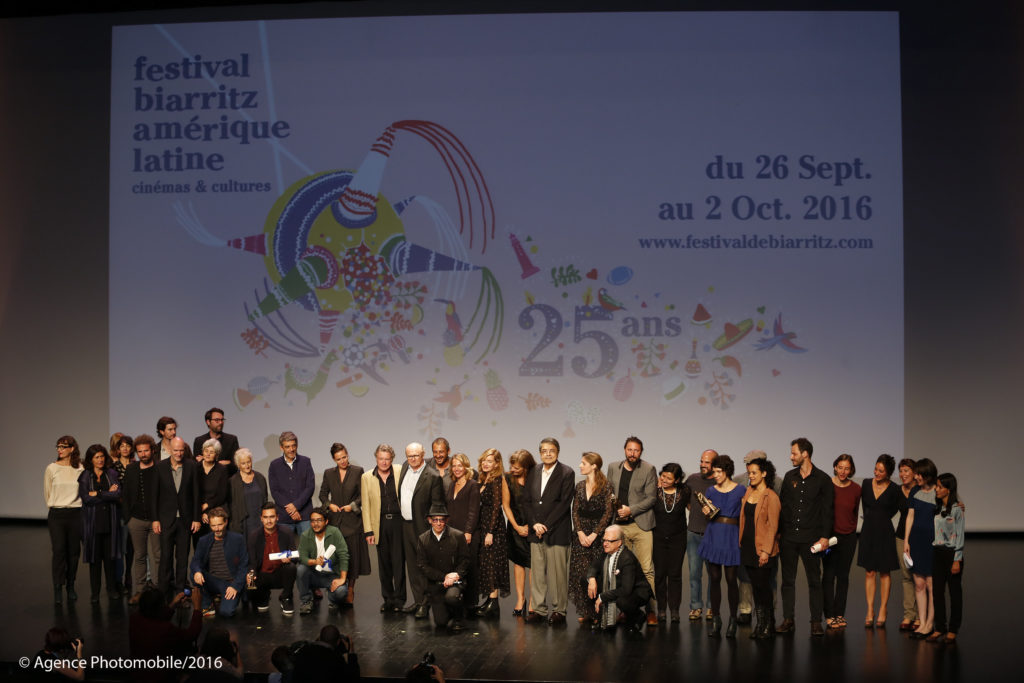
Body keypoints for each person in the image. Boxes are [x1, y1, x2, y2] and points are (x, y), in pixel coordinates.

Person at [776, 437, 833, 636]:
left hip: (811, 539)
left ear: (805, 454)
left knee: (814, 581)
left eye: (794, 453)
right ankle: (788, 619)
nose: (791, 456)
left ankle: (816, 621)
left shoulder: (823, 479)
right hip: (789, 538)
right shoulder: (789, 476)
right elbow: (782, 507)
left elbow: (827, 511)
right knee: (787, 581)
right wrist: (779, 533)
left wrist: (825, 537)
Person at [522, 437, 575, 625]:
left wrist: (545, 525)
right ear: (540, 453)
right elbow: (526, 501)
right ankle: (539, 610)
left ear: (558, 452)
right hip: (536, 532)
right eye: (544, 451)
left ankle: (559, 610)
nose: (548, 454)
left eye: (551, 450)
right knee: (537, 574)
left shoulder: (567, 472)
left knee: (558, 575)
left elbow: (564, 503)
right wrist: (535, 523)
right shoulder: (534, 471)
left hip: (557, 531)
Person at [606, 436, 658, 625]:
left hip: (641, 524)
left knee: (646, 569)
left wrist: (631, 510)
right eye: (629, 450)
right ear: (625, 450)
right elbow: (609, 493)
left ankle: (651, 610)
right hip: (619, 527)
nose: (632, 453)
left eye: (636, 450)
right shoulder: (613, 467)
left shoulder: (649, 469)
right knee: (621, 570)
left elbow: (652, 498)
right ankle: (627, 609)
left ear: (641, 452)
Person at [698, 454, 745, 637]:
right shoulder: (710, 491)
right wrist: (705, 512)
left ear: (727, 471)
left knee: (732, 580)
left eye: (719, 471)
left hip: (731, 535)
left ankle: (733, 619)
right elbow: (709, 514)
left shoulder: (740, 490)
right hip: (713, 534)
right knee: (714, 579)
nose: (715, 474)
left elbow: (744, 515)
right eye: (714, 471)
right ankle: (716, 620)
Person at [398, 442, 446, 618]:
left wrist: (433, 529)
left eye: (416, 455)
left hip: (423, 528)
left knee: (424, 567)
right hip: (406, 525)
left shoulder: (432, 476)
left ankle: (425, 604)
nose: (412, 459)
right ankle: (419, 601)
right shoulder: (404, 467)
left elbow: (437, 505)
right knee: (411, 566)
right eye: (409, 455)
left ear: (423, 454)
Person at [319, 442, 370, 607]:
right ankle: (337, 586)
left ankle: (350, 588)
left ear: (348, 454)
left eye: (344, 457)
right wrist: (329, 505)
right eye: (339, 459)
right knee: (336, 556)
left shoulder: (357, 471)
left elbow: (363, 495)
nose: (342, 461)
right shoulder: (328, 473)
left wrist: (352, 506)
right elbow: (322, 494)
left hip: (352, 521)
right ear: (334, 459)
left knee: (352, 556)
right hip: (335, 521)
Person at [151, 436, 201, 597]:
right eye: (176, 450)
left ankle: (180, 592)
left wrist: (196, 518)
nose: (179, 453)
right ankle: (163, 592)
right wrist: (155, 519)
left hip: (185, 520)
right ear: (169, 450)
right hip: (166, 520)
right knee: (165, 557)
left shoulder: (192, 466)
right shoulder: (160, 467)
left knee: (182, 558)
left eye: (181, 450)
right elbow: (154, 496)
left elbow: (196, 494)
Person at [858, 453, 903, 628]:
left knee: (885, 572)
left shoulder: (895, 489)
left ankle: (883, 608)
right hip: (868, 531)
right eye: (876, 469)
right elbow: (865, 506)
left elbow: (899, 509)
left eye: (881, 471)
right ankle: (870, 609)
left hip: (885, 532)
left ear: (889, 473)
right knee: (869, 572)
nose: (877, 472)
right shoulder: (866, 484)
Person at [568, 451, 613, 625]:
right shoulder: (579, 486)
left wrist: (594, 534)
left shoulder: (606, 486)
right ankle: (585, 609)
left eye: (583, 463)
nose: (580, 466)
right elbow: (575, 511)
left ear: (594, 466)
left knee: (596, 573)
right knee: (581, 574)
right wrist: (579, 532)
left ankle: (597, 610)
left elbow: (608, 513)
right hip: (581, 535)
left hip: (598, 534)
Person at [739, 456, 781, 639]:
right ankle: (762, 624)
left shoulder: (771, 497)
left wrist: (765, 551)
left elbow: (773, 527)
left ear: (764, 473)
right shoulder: (748, 492)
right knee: (755, 587)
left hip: (763, 549)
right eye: (749, 473)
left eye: (754, 473)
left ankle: (767, 624)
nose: (751, 476)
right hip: (748, 547)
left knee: (763, 588)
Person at [361, 443, 405, 612]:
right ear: (376, 458)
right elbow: (366, 505)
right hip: (379, 524)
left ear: (392, 459)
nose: (384, 462)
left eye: (387, 459)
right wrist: (368, 530)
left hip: (398, 522)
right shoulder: (367, 477)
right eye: (381, 459)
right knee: (384, 564)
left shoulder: (400, 470)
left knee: (399, 563)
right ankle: (388, 599)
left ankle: (400, 600)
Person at [416, 503, 471, 632]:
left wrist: (456, 575)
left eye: (441, 520)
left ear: (446, 520)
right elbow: (422, 565)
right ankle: (448, 611)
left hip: (455, 582)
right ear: (430, 520)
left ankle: (459, 617)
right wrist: (443, 577)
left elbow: (465, 560)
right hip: (436, 585)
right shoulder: (423, 539)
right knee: (440, 622)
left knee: (452, 597)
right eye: (435, 520)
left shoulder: (457, 536)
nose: (439, 523)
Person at [130, 587, 203, 683]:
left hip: (138, 674)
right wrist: (197, 607)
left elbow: (155, 617)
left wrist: (173, 605)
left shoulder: (134, 620)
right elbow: (191, 634)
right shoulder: (165, 629)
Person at [586, 524, 651, 632]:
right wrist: (592, 579)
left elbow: (626, 590)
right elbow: (594, 566)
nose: (605, 544)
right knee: (586, 580)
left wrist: (602, 596)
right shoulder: (605, 553)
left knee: (623, 601)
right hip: (618, 586)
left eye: (609, 541)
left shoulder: (627, 558)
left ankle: (637, 616)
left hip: (636, 591)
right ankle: (601, 619)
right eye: (604, 540)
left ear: (619, 542)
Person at [79, 444, 123, 602]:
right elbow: (86, 498)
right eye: (97, 457)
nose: (100, 459)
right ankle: (95, 593)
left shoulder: (111, 473)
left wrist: (97, 493)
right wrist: (106, 494)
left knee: (110, 559)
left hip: (109, 522)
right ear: (91, 459)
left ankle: (111, 590)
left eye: (102, 456)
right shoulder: (85, 475)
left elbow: (117, 494)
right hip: (93, 524)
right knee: (95, 561)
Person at [823, 453, 860, 629]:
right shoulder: (827, 485)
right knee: (828, 575)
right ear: (835, 467)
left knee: (843, 577)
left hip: (848, 538)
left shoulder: (856, 489)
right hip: (830, 537)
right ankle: (829, 615)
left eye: (847, 468)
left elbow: (855, 512)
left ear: (851, 469)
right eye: (840, 467)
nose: (843, 471)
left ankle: (839, 614)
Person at [122, 434, 161, 603]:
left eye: (146, 450)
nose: (143, 454)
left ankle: (159, 591)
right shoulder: (131, 469)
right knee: (139, 555)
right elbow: (125, 494)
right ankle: (139, 591)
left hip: (156, 520)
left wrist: (159, 518)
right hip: (136, 519)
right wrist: (128, 518)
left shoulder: (160, 468)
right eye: (140, 452)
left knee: (158, 555)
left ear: (152, 450)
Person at [45, 436, 83, 604]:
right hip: (57, 514)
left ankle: (70, 586)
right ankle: (58, 587)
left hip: (76, 514)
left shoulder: (80, 468)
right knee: (59, 551)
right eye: (58, 446)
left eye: (63, 446)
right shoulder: (51, 468)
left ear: (72, 448)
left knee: (74, 553)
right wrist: (55, 507)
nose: (59, 449)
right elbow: (47, 493)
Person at [190, 507, 247, 617]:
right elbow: (195, 560)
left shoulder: (238, 539)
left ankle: (233, 595)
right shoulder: (204, 540)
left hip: (230, 583)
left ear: (226, 522)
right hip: (213, 581)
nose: (217, 529)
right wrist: (197, 571)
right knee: (194, 573)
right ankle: (207, 604)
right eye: (213, 525)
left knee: (227, 612)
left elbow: (244, 564)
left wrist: (236, 585)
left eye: (220, 524)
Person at [905, 457, 939, 639]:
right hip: (916, 541)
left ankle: (929, 624)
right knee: (919, 584)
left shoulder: (939, 491)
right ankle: (922, 622)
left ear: (927, 474)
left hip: (933, 542)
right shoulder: (915, 491)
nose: (915, 477)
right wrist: (906, 541)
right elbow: (910, 516)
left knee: (931, 585)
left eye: (918, 474)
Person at [652, 462, 690, 623]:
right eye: (663, 475)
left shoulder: (685, 491)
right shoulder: (654, 491)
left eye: (669, 477)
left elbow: (692, 509)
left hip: (678, 538)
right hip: (658, 537)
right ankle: (661, 608)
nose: (665, 479)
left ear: (677, 480)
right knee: (660, 574)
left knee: (675, 575)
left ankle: (674, 609)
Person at [475, 448, 510, 618]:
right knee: (486, 564)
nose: (485, 464)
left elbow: (497, 507)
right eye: (484, 461)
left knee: (493, 565)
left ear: (497, 463)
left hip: (493, 527)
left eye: (489, 461)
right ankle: (489, 600)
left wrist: (490, 532)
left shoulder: (497, 480)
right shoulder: (483, 479)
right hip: (483, 525)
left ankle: (494, 603)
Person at [930, 472, 964, 644]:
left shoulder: (957, 509)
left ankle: (953, 629)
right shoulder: (937, 508)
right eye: (937, 485)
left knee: (954, 592)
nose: (937, 489)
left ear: (948, 490)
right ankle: (940, 627)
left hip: (952, 554)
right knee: (937, 592)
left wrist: (957, 559)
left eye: (940, 487)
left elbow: (959, 535)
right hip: (937, 553)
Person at [247, 501, 298, 614]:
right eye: (265, 517)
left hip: (280, 573)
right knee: (249, 590)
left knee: (291, 567)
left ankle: (286, 597)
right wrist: (251, 575)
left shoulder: (286, 532)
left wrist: (289, 558)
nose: (269, 521)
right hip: (262, 575)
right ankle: (263, 595)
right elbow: (252, 561)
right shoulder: (254, 536)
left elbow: (295, 556)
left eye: (272, 517)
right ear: (261, 518)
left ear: (277, 518)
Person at [502, 449, 535, 617]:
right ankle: (520, 599)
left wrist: (532, 525)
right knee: (518, 563)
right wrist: (516, 526)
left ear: (526, 466)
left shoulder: (535, 477)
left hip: (533, 526)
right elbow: (506, 505)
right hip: (515, 526)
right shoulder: (507, 478)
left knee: (533, 564)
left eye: (516, 467)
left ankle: (533, 600)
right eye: (511, 466)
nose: (512, 469)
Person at [297, 507, 349, 614]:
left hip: (332, 575)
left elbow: (344, 555)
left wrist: (342, 579)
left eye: (319, 520)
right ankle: (306, 601)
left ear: (326, 521)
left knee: (341, 592)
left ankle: (332, 598)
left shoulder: (334, 532)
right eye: (313, 521)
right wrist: (315, 562)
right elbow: (302, 557)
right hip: (314, 574)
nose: (316, 524)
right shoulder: (306, 535)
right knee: (301, 569)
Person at [444, 453, 479, 612]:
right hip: (453, 533)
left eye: (460, 465)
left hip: (467, 533)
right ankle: (459, 598)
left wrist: (468, 532)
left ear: (466, 467)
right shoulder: (452, 484)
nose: (457, 469)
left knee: (470, 567)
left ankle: (471, 603)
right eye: (454, 465)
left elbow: (473, 511)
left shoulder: (472, 485)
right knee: (457, 565)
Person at [684, 448, 716, 620]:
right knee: (694, 573)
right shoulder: (692, 479)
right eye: (702, 461)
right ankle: (696, 606)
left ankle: (711, 607)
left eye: (707, 462)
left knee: (713, 574)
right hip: (694, 533)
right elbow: (686, 500)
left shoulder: (720, 482)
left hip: (712, 535)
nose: (703, 465)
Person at [268, 431, 316, 536]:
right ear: (281, 448)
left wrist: (296, 506)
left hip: (304, 515)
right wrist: (292, 510)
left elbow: (310, 487)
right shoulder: (274, 465)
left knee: (308, 549)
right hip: (284, 516)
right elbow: (274, 491)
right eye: (287, 446)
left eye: (294, 446)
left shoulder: (305, 462)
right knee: (285, 550)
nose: (291, 449)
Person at [895, 457, 918, 631]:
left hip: (921, 538)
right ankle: (909, 615)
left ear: (915, 472)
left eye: (906, 471)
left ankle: (921, 616)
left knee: (921, 577)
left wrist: (957, 504)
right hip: (902, 537)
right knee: (906, 576)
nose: (903, 474)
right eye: (901, 470)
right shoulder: (898, 491)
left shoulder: (921, 489)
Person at [228, 448, 268, 541]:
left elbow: (265, 499)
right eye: (243, 463)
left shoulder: (260, 478)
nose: (247, 465)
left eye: (248, 462)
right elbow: (232, 505)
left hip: (260, 521)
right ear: (238, 465)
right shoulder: (232, 481)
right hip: (243, 523)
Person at [195, 439, 230, 548]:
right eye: (206, 451)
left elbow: (222, 495)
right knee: (200, 549)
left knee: (216, 549)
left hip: (216, 513)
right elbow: (191, 493)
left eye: (212, 452)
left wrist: (207, 507)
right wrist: (200, 512)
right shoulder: (194, 468)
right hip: (197, 515)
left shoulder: (222, 470)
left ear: (217, 454)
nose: (208, 454)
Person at [192, 407, 240, 475]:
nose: (220, 422)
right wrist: (223, 463)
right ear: (208, 422)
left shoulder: (232, 440)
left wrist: (206, 460)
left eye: (222, 420)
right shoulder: (199, 441)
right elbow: (197, 466)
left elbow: (235, 466)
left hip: (226, 482)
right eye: (217, 420)